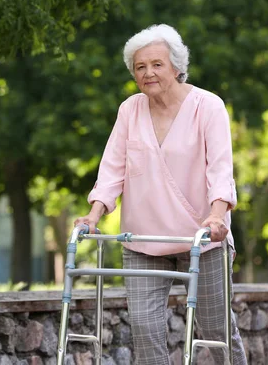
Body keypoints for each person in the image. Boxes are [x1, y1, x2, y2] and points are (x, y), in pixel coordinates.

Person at [74, 24, 247, 365]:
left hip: (203, 239)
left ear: (177, 67)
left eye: (157, 64)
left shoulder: (208, 106)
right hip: (144, 240)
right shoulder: (130, 109)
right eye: (140, 67)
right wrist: (93, 216)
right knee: (144, 329)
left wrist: (216, 214)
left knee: (216, 330)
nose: (148, 72)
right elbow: (112, 170)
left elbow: (220, 171)